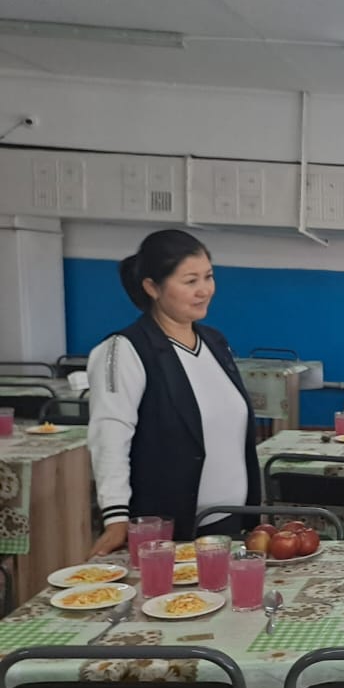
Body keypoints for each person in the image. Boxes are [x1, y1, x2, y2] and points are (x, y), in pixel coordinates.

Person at [88, 229, 260, 555]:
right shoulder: (126, 350)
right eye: (190, 281)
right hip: (167, 532)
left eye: (208, 277)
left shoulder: (215, 342)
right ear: (152, 287)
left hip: (228, 523)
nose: (204, 290)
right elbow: (110, 434)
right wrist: (116, 516)